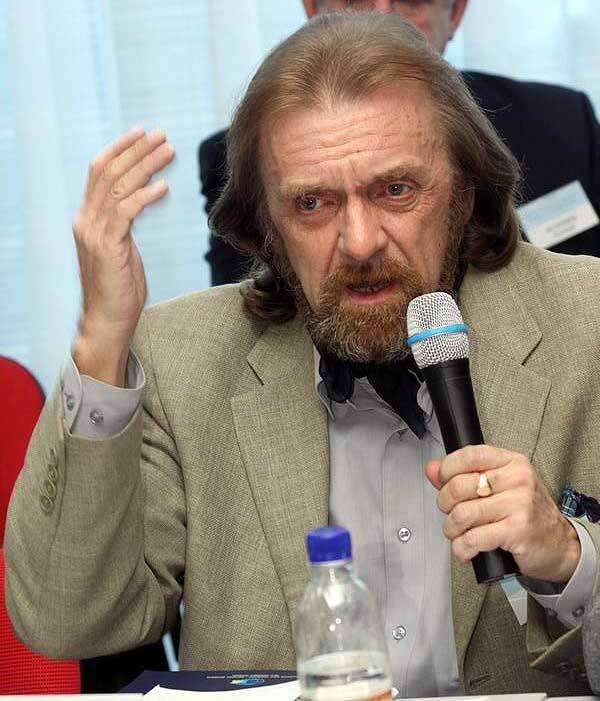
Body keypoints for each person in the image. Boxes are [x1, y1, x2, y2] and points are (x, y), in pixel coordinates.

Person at [5, 12, 600, 696]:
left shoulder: (587, 321)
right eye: (313, 203)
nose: (360, 242)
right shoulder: (182, 357)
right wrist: (100, 340)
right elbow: (67, 620)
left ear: (464, 194)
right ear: (267, 227)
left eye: (396, 190)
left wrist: (569, 556)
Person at [200, 0, 600, 285]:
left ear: (455, 13)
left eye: (410, 1)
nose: (381, 17)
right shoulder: (247, 155)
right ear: (311, 9)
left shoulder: (560, 122)